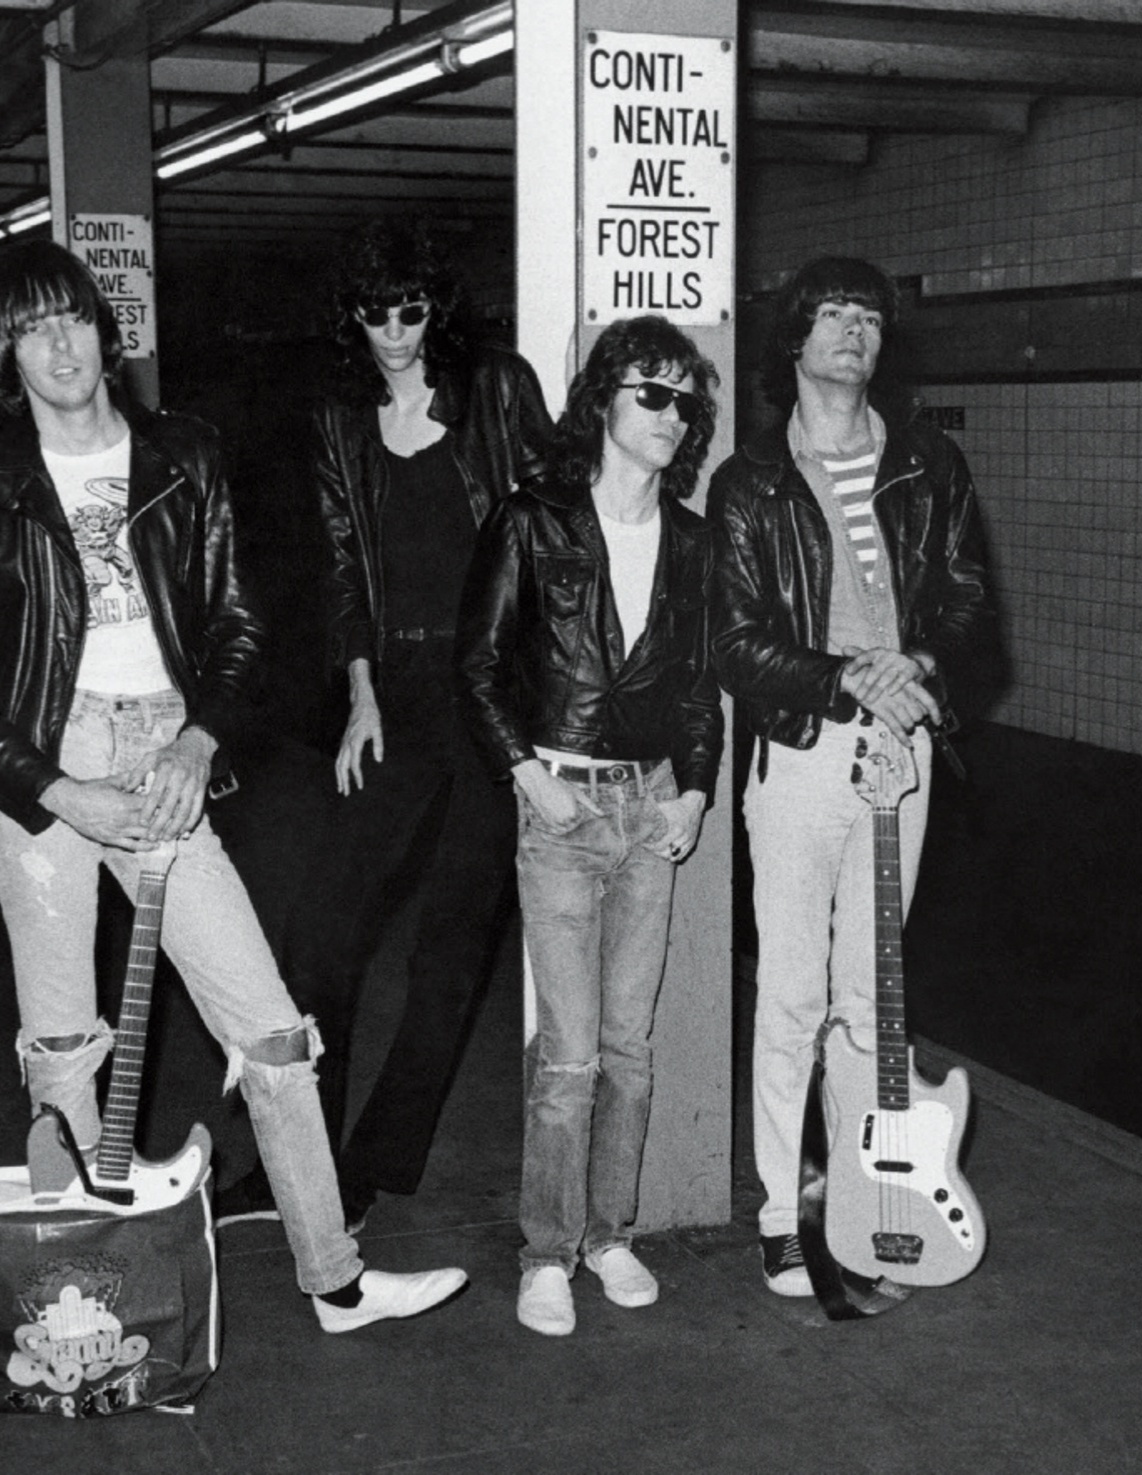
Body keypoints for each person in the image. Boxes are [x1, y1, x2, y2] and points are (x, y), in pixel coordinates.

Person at [0, 239, 465, 1334]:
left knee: (269, 1028)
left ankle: (335, 1276)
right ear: (5, 354)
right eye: (34, 328)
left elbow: (240, 623)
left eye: (74, 318)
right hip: (44, 772)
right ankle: (80, 1309)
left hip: (169, 756)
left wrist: (197, 742)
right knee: (67, 1051)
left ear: (102, 331)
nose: (62, 345)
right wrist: (61, 792)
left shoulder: (182, 456)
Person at [216, 217, 554, 1231]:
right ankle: (298, 1162)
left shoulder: (494, 389)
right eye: (378, 314)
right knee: (323, 933)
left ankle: (370, 1168)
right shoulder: (341, 420)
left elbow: (553, 526)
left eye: (413, 310)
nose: (397, 332)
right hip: (400, 691)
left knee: (450, 948)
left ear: (433, 311)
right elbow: (338, 568)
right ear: (353, 319)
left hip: (492, 690)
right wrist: (361, 693)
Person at [706, 256, 997, 1297]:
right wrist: (848, 676)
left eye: (868, 317)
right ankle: (781, 1212)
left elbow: (967, 603)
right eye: (831, 315)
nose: (852, 331)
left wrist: (915, 665)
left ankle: (859, 1196)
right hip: (799, 749)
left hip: (901, 747)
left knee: (870, 997)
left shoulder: (928, 464)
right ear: (794, 342)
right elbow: (734, 643)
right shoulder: (752, 481)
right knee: (789, 990)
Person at [455, 315, 723, 1336]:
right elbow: (475, 668)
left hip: (650, 806)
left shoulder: (691, 539)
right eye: (652, 394)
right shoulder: (535, 519)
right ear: (605, 399)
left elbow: (699, 685)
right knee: (567, 1055)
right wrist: (528, 773)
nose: (672, 414)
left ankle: (609, 1235)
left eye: (684, 399)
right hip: (562, 810)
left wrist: (693, 790)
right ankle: (545, 1251)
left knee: (631, 1046)